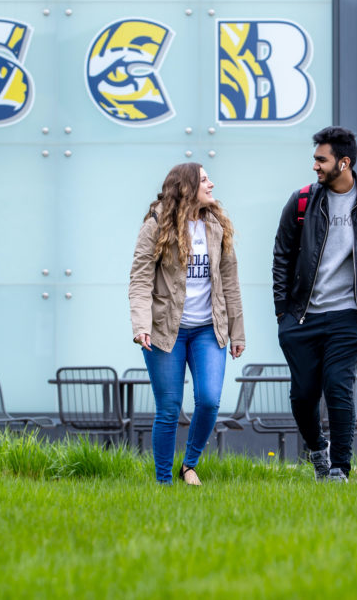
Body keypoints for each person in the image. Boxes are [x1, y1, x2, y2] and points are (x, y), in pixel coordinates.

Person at [272, 126, 357, 483]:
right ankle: (318, 450)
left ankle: (339, 469)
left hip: (351, 315)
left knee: (337, 385)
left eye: (321, 159)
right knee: (302, 396)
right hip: (302, 317)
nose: (314, 165)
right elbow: (282, 255)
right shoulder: (301, 202)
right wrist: (282, 312)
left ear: (343, 163)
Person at [129, 163, 245, 486]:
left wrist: (237, 331)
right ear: (187, 186)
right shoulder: (156, 224)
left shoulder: (216, 225)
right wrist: (141, 324)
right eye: (205, 179)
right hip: (166, 331)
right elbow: (140, 279)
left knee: (209, 399)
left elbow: (230, 283)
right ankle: (163, 481)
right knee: (169, 408)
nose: (212, 184)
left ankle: (188, 464)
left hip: (209, 329)